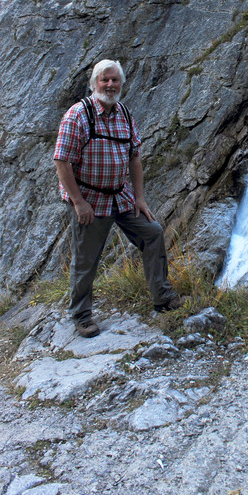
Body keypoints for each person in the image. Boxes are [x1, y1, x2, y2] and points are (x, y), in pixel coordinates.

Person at [54, 59, 182, 338]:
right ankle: (82, 316)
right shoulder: (78, 115)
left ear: (122, 84)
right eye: (105, 80)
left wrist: (140, 198)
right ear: (94, 83)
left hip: (121, 196)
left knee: (152, 233)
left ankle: (162, 298)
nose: (110, 85)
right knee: (86, 259)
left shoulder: (124, 114)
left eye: (115, 80)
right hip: (89, 199)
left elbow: (134, 157)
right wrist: (78, 202)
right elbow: (62, 162)